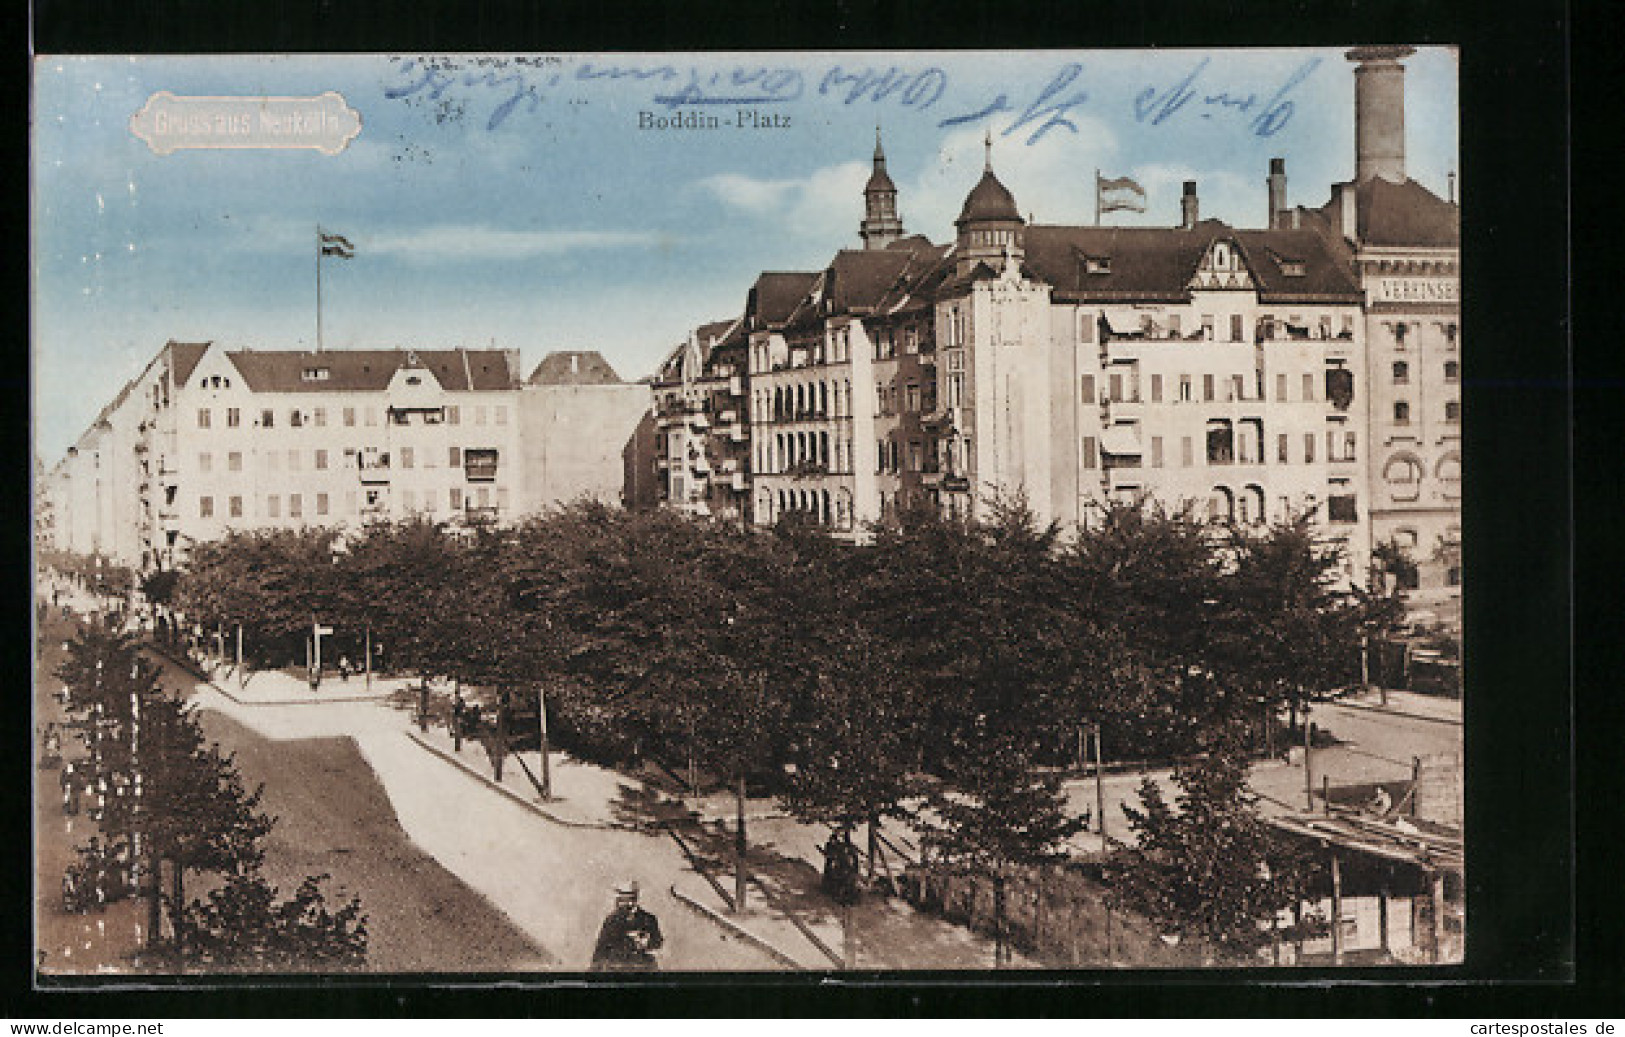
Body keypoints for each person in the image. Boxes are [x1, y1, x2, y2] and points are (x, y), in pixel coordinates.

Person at [590, 881, 664, 971]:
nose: (628, 903)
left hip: (641, 966)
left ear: (635, 899)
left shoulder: (648, 919)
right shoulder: (612, 920)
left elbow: (658, 941)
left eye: (630, 899)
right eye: (623, 900)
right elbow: (601, 948)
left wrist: (646, 942)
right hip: (617, 968)